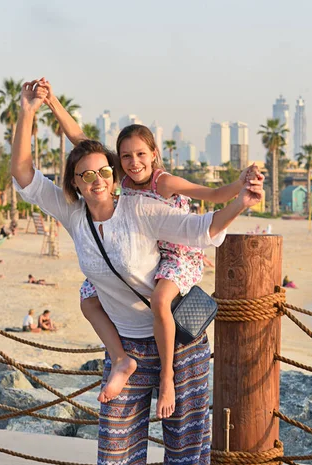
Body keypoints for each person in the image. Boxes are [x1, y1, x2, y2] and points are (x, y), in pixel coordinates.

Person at [11, 80, 264, 465]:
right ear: (75, 182)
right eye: (86, 175)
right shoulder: (71, 212)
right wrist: (30, 109)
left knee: (185, 433)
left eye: (103, 172)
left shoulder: (143, 206)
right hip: (126, 344)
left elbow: (201, 223)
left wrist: (240, 201)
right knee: (116, 439)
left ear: (115, 172)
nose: (98, 179)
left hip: (178, 341)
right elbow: (27, 172)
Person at [40, 78, 259, 419]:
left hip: (179, 252)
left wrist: (240, 186)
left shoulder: (164, 182)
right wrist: (52, 102)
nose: (133, 161)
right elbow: (79, 139)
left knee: (159, 300)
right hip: (149, 250)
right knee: (87, 296)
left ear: (154, 154)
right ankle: (121, 359)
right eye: (125, 156)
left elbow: (212, 196)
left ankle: (167, 378)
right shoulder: (118, 178)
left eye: (141, 154)